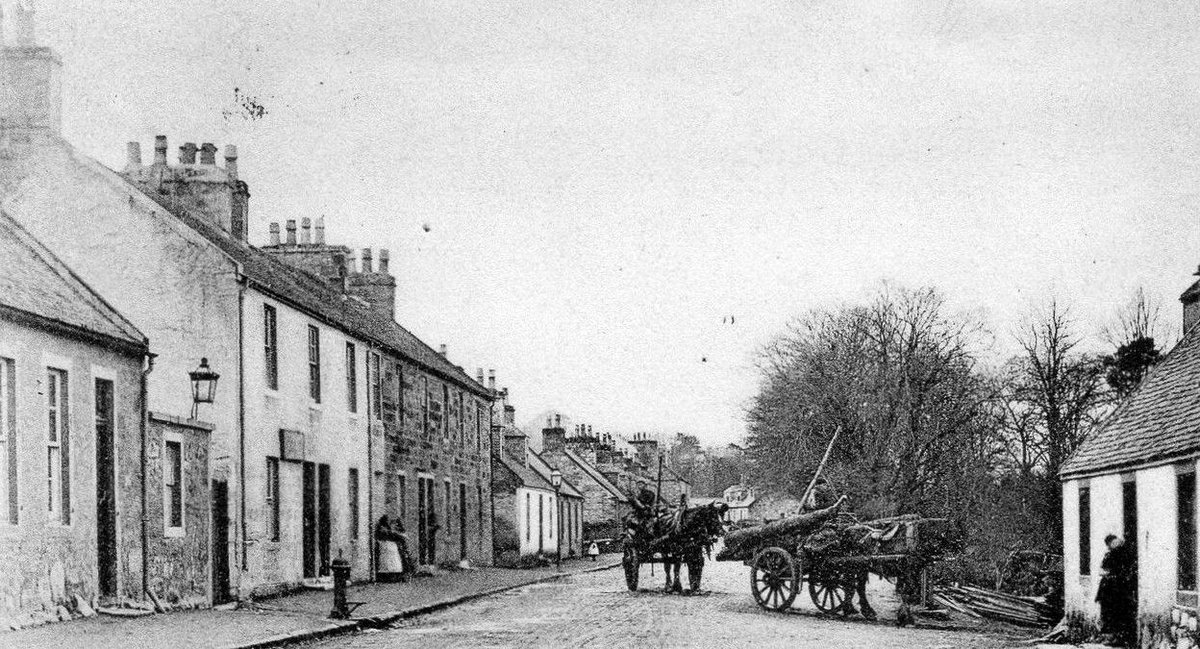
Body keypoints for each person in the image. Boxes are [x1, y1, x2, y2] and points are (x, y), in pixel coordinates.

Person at [1097, 534, 1136, 646]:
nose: (1117, 544)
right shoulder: (1110, 555)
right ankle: (1112, 637)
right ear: (1109, 545)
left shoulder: (1124, 554)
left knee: (1119, 613)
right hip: (1109, 589)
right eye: (1113, 543)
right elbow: (1102, 570)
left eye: (1117, 542)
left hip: (1119, 589)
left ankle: (1119, 637)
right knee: (1109, 613)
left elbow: (1106, 571)